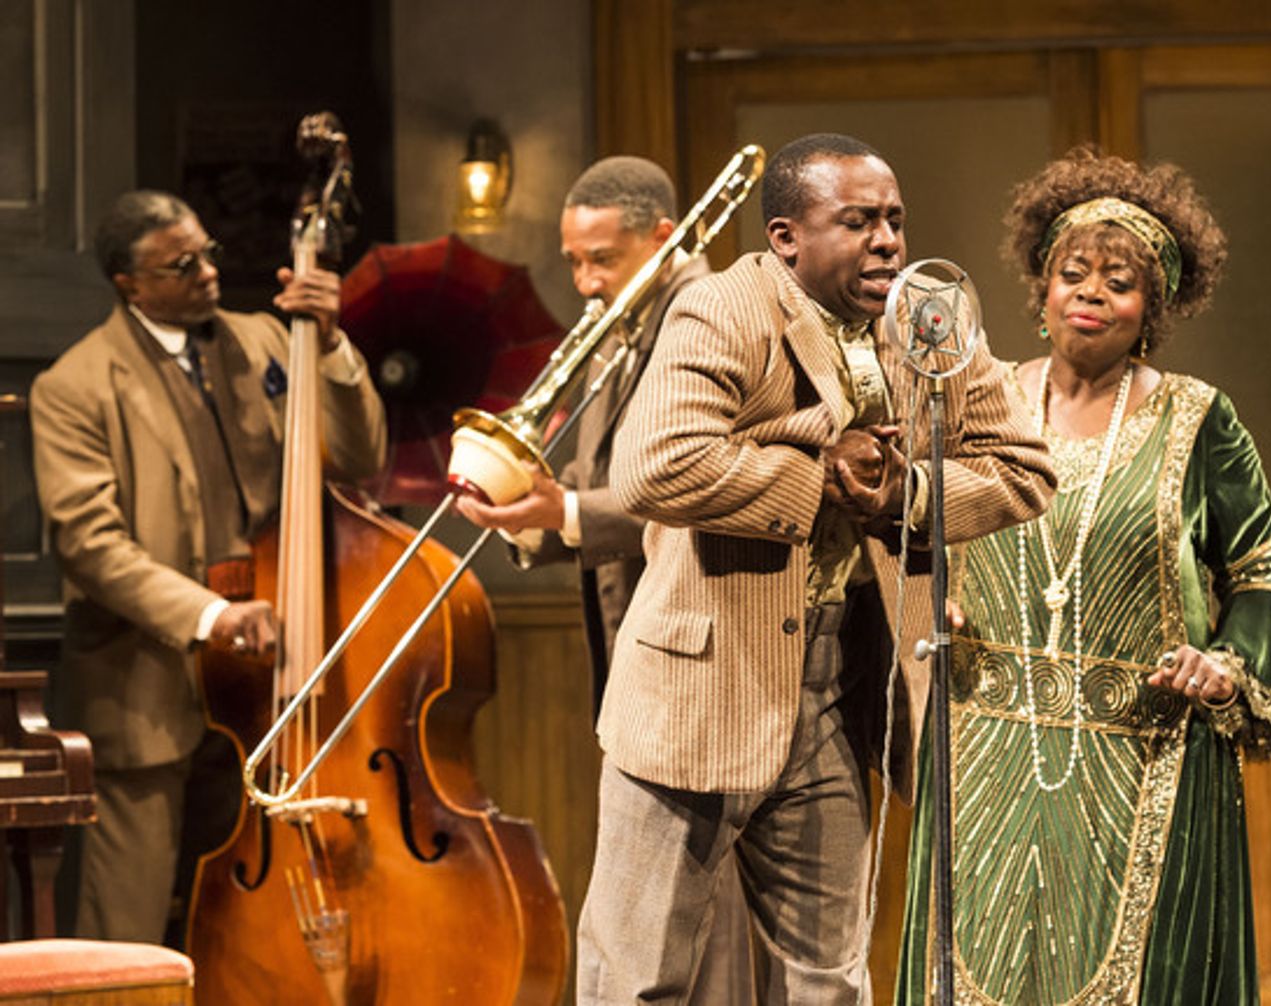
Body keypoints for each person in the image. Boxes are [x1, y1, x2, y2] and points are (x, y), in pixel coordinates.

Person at [576, 133, 1056, 1004]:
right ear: (787, 236)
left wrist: (897, 494)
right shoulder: (723, 309)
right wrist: (817, 471)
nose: (887, 242)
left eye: (895, 220)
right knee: (637, 979)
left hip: (840, 682)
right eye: (859, 221)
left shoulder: (927, 317)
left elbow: (1026, 470)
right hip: (700, 685)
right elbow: (653, 468)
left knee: (829, 979)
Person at [894, 147, 1271, 1004]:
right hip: (988, 749)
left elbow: (1262, 570)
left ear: (1153, 308)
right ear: (1042, 287)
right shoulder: (979, 402)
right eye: (1074, 272)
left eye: (1119, 281)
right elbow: (916, 536)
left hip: (1148, 755)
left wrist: (1224, 663)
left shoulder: (1199, 418)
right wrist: (930, 596)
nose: (1092, 292)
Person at [29, 190, 386, 943]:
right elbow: (90, 544)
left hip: (275, 673)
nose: (207, 273)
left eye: (209, 253)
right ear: (129, 283)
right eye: (181, 264)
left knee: (253, 921)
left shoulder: (264, 340)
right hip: (151, 684)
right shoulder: (74, 386)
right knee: (128, 918)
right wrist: (209, 616)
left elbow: (359, 459)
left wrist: (326, 344)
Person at [455, 156, 754, 1002]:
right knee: (651, 900)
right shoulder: (617, 327)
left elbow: (694, 483)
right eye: (574, 261)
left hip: (703, 644)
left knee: (704, 895)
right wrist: (533, 512)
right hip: (632, 637)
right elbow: (596, 482)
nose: (585, 282)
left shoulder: (708, 316)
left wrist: (567, 510)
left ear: (664, 237)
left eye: (602, 259)